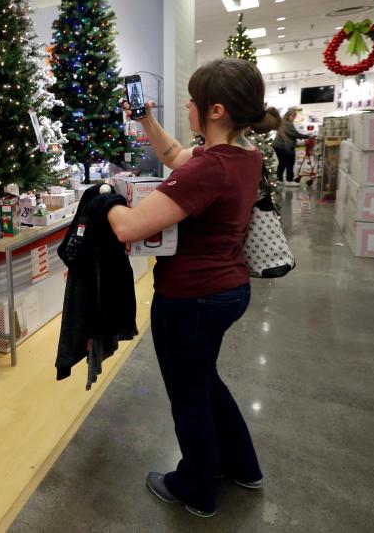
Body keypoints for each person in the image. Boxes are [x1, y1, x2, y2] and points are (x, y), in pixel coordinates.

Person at [106, 58, 280, 518]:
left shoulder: (209, 170)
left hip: (190, 300)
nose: (188, 106)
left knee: (189, 396)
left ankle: (195, 487)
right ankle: (243, 465)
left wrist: (105, 198)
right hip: (228, 290)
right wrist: (146, 120)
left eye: (194, 101)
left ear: (215, 110)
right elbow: (175, 156)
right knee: (206, 381)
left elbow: (129, 228)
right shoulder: (243, 158)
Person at [271, 107, 310, 186]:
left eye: (294, 116)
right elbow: (295, 134)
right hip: (282, 146)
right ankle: (289, 180)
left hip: (279, 146)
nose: (294, 117)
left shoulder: (284, 123)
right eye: (293, 116)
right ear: (287, 116)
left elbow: (292, 135)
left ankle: (280, 179)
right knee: (289, 163)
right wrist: (308, 136)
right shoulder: (287, 124)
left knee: (283, 163)